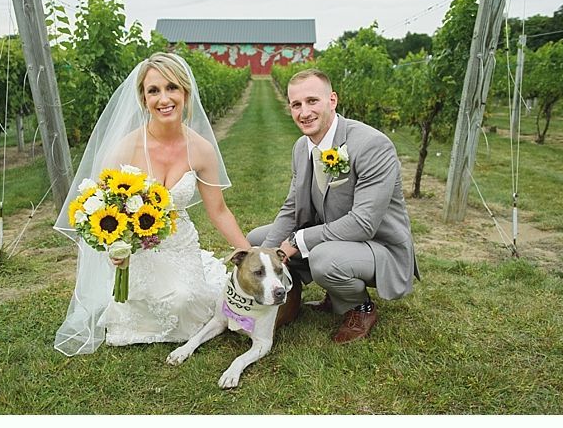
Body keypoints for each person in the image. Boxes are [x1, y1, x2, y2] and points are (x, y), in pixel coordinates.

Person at [53, 52, 250, 356]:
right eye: (153, 91)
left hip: (180, 242)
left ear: (185, 93)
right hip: (137, 249)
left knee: (184, 300)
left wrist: (249, 255)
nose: (164, 98)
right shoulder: (126, 147)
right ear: (143, 99)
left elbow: (219, 210)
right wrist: (115, 248)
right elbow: (100, 209)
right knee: (137, 302)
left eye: (172, 88)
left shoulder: (201, 149)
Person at [247, 69, 419, 344]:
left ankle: (361, 308)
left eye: (312, 101)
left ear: (332, 101)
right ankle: (292, 301)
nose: (304, 112)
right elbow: (292, 207)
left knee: (323, 258)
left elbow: (364, 223)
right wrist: (261, 255)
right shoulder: (301, 147)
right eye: (296, 105)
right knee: (257, 239)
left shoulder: (372, 144)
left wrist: (297, 240)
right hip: (334, 235)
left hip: (378, 245)